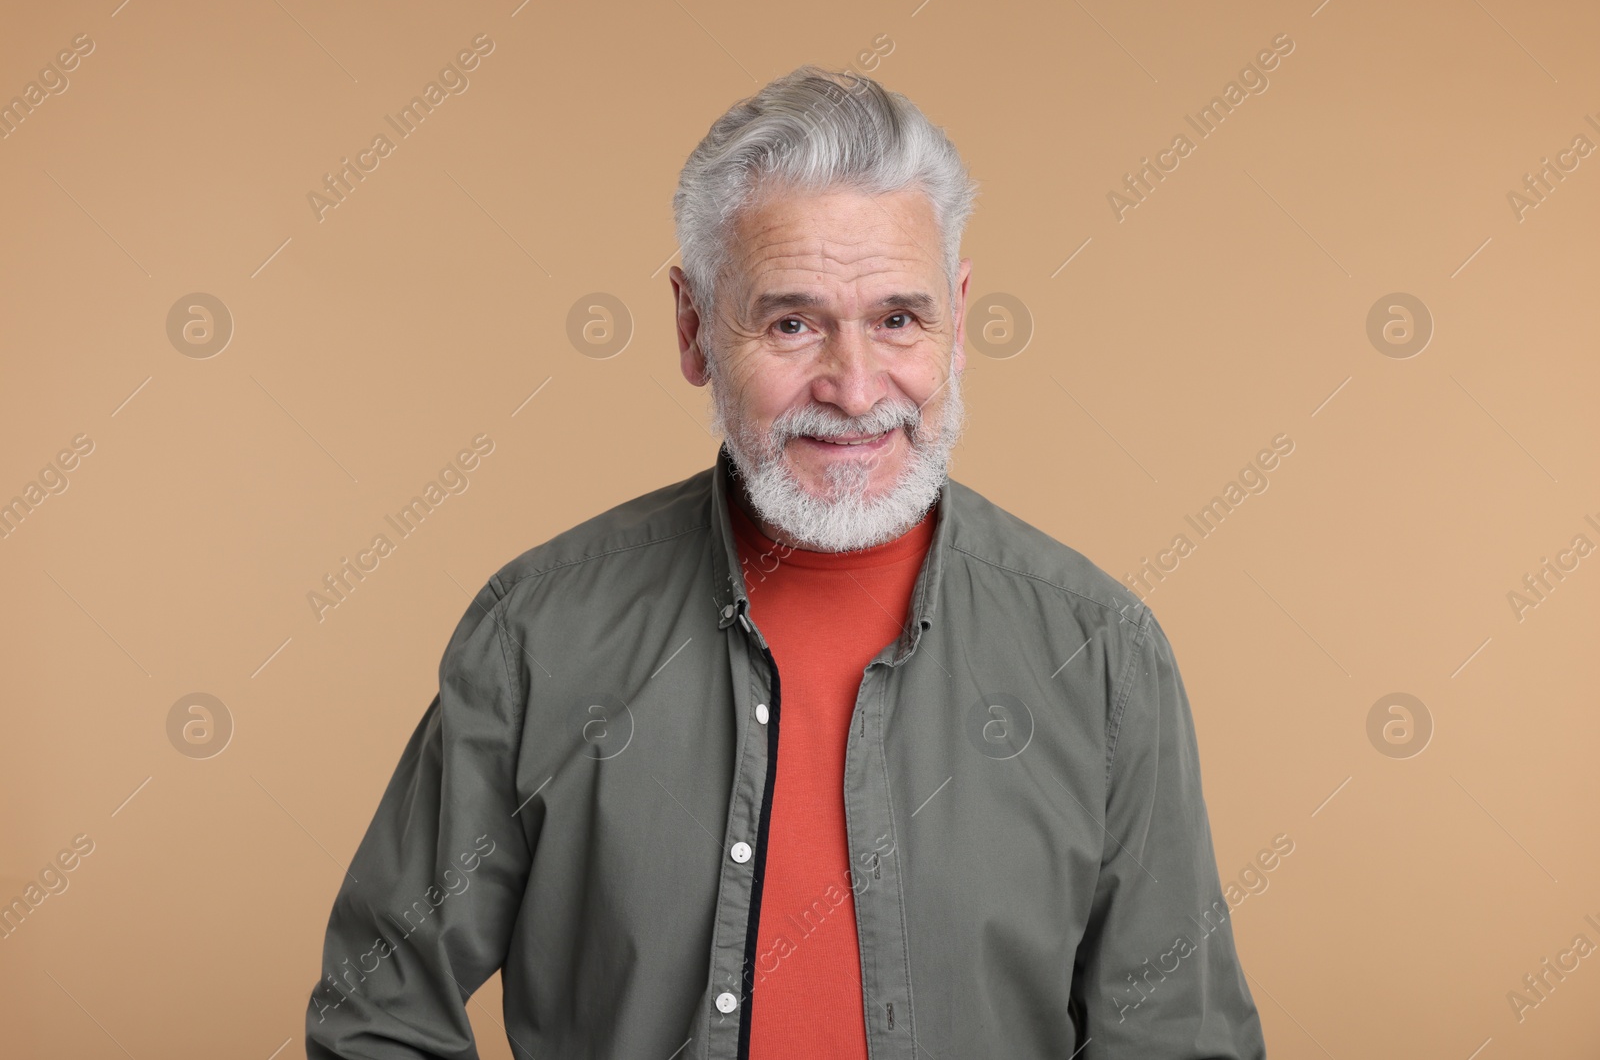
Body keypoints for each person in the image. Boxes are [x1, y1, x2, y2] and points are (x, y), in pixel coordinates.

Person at [306, 64, 1266, 1060]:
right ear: (692, 327)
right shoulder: (537, 634)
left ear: (959, 313)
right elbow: (380, 1010)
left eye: (898, 317)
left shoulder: (1098, 652)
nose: (854, 389)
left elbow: (1177, 1040)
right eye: (792, 322)